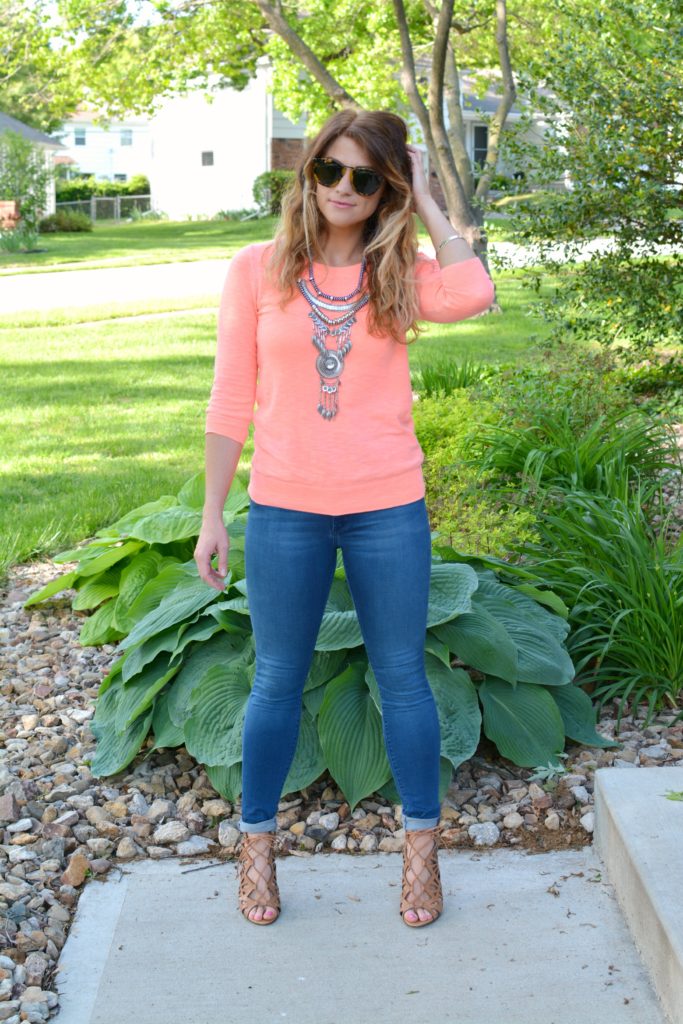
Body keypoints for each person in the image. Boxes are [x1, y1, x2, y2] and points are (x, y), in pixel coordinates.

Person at [194, 108, 494, 929]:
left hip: (386, 507)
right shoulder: (256, 269)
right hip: (284, 507)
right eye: (331, 169)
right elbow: (229, 400)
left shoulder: (400, 272)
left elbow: (475, 290)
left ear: (383, 187)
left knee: (402, 680)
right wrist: (213, 514)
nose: (343, 189)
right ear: (309, 173)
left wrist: (429, 200)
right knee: (275, 683)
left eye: (365, 177)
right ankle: (255, 852)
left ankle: (421, 858)